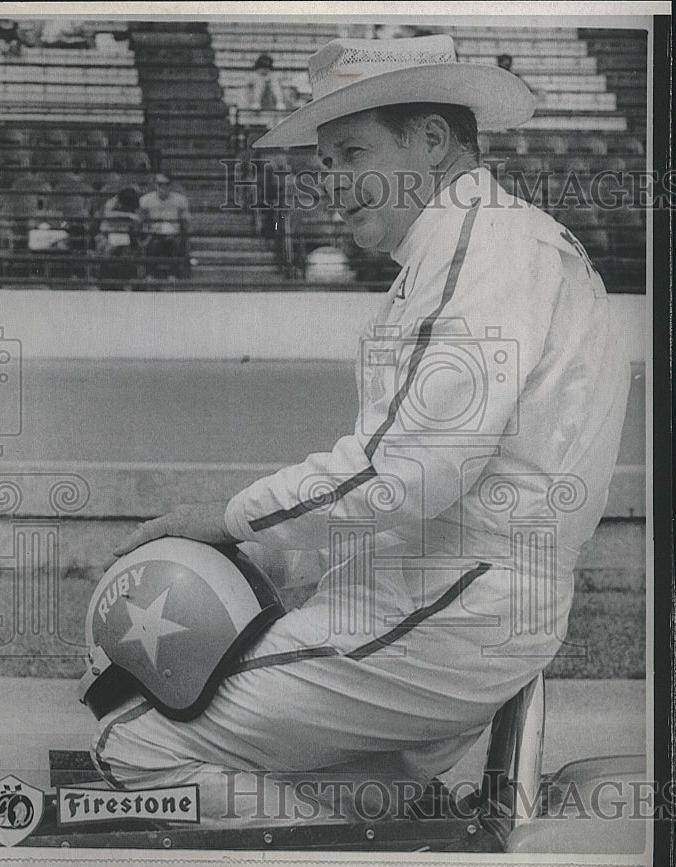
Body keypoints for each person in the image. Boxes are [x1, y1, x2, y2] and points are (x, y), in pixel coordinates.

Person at [90, 34, 630, 825]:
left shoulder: (479, 246)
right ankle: (392, 827)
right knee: (333, 781)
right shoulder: (484, 243)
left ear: (434, 141)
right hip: (444, 604)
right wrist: (275, 555)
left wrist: (232, 523)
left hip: (446, 612)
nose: (330, 184)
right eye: (325, 161)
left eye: (350, 152)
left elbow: (407, 473)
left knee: (132, 741)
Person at [139, 174, 192, 279]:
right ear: (155, 185)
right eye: (160, 184)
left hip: (174, 232)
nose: (163, 187)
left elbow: (186, 220)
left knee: (177, 243)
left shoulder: (180, 200)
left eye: (166, 184)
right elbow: (141, 220)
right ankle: (150, 274)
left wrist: (186, 236)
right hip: (154, 233)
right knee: (154, 243)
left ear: (171, 185)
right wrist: (146, 234)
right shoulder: (145, 200)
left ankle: (173, 274)